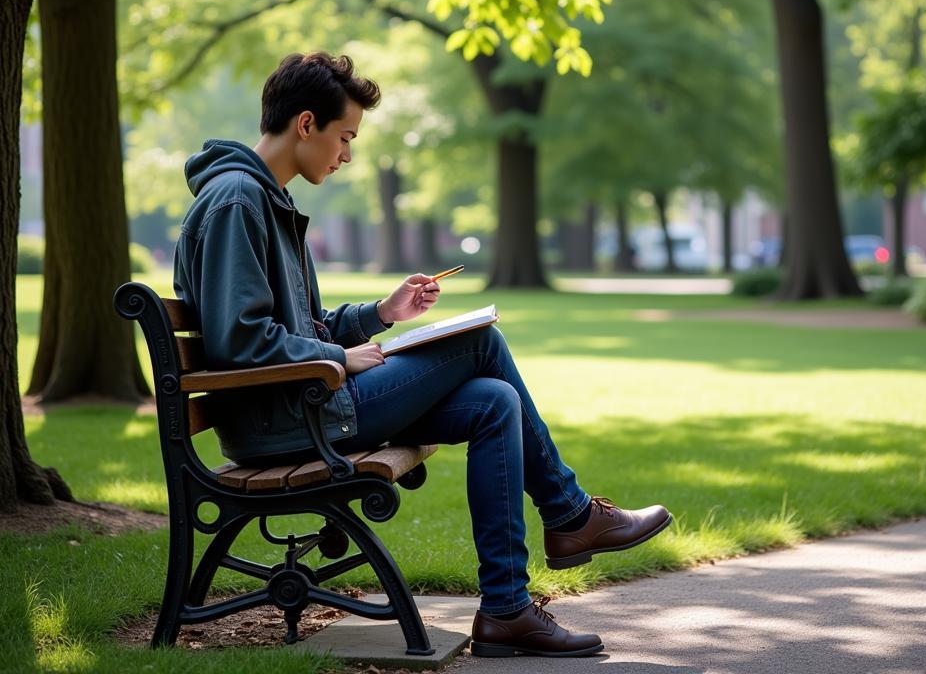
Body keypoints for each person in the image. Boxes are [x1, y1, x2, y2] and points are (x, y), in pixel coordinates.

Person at [173, 51, 671, 658]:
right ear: (306, 124)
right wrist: (337, 358)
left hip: (302, 404)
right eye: (345, 136)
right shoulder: (237, 202)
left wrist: (383, 314)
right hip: (289, 419)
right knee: (482, 341)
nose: (347, 154)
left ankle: (508, 611)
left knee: (494, 401)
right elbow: (238, 341)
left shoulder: (263, 201)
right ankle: (568, 514)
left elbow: (301, 323)